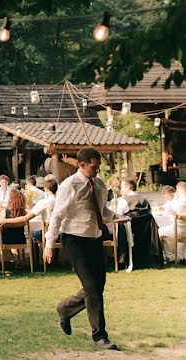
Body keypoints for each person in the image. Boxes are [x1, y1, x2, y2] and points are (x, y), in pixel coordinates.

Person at [45, 147, 130, 351]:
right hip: (74, 240)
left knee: (97, 286)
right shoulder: (69, 186)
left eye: (98, 167)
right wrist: (49, 244)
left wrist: (116, 217)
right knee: (92, 288)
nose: (97, 171)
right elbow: (57, 216)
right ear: (81, 165)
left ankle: (65, 308)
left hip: (94, 238)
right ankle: (100, 337)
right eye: (93, 167)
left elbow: (101, 211)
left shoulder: (99, 184)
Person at [3, 178, 57, 252]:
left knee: (32, 235)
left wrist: (6, 220)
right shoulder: (61, 201)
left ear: (46, 189)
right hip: (62, 233)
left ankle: (35, 262)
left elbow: (26, 218)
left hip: (49, 232)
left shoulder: (44, 202)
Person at [158, 181, 186, 262]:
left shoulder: (180, 203)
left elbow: (172, 210)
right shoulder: (180, 201)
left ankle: (169, 256)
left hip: (180, 231)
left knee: (160, 231)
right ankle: (182, 254)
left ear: (179, 190)